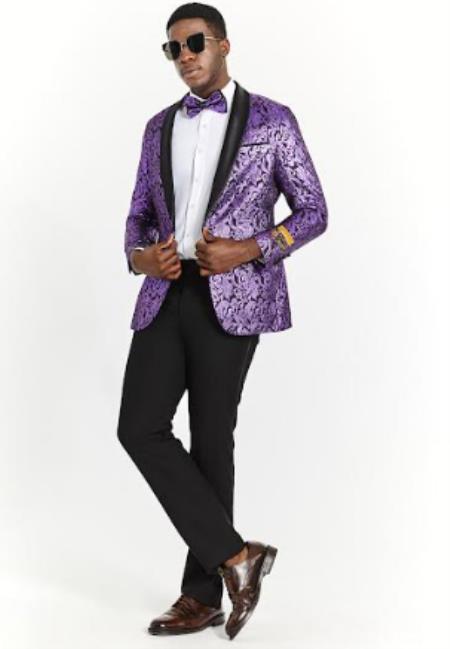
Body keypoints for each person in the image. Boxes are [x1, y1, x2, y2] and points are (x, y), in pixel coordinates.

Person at [117, 1, 328, 640]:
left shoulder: (272, 120)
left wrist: (251, 248)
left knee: (212, 441)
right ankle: (237, 558)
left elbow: (314, 211)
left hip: (234, 298)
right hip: (166, 292)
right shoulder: (158, 127)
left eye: (195, 43)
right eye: (174, 48)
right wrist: (139, 257)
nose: (185, 57)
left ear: (223, 45)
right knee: (138, 427)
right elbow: (137, 216)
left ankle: (201, 595)